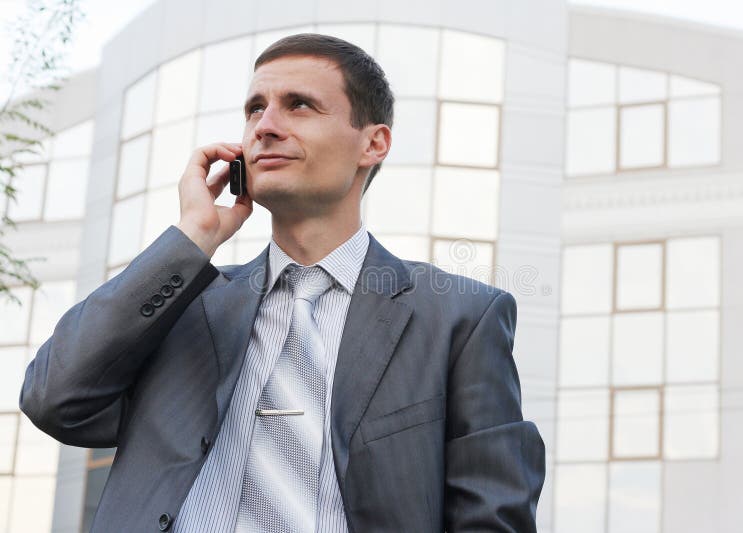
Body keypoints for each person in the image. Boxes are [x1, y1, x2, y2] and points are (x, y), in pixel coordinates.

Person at [19, 34, 545, 532]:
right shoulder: (184, 300)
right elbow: (53, 399)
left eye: (298, 105)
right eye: (254, 108)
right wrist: (192, 239)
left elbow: (492, 516)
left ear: (374, 143)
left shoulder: (459, 317)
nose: (265, 126)